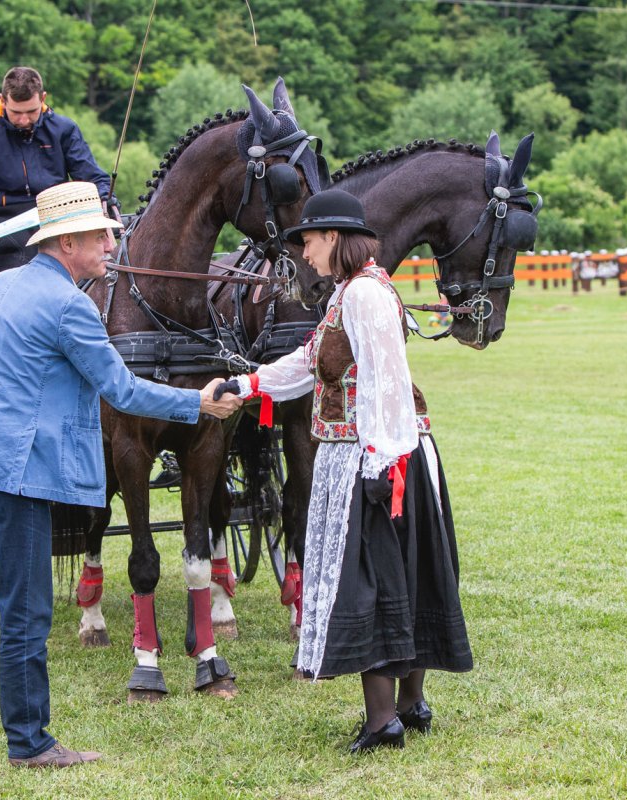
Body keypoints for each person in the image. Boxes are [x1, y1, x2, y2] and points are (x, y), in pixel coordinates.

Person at [0, 181, 243, 768]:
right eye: (99, 235)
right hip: (14, 473)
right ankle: (30, 742)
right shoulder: (70, 304)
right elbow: (119, 388)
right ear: (66, 242)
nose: (109, 244)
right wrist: (196, 404)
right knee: (26, 612)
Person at [224, 189, 472, 753]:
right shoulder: (352, 291)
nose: (304, 252)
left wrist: (383, 464)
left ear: (332, 237)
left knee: (373, 579)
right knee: (401, 574)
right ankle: (409, 705)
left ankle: (384, 720)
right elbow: (311, 364)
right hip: (384, 453)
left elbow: (385, 377)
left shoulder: (362, 294)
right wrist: (247, 385)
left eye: (307, 240)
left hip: (377, 455)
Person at [0, 66, 116, 283]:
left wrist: (104, 196)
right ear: (2, 100)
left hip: (56, 222)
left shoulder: (64, 130)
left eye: (32, 112)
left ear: (43, 98)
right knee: (26, 281)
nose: (24, 120)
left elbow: (94, 178)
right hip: (3, 231)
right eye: (16, 113)